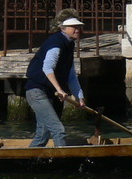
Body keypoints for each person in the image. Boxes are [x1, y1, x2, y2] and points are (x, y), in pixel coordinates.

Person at [24, 13, 87, 147]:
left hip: (48, 92)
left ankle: (31, 159)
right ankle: (64, 160)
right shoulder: (56, 42)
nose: (77, 30)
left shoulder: (69, 44)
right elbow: (47, 68)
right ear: (63, 28)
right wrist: (59, 89)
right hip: (36, 91)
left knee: (43, 133)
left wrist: (79, 97)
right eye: (73, 27)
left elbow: (71, 75)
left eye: (78, 27)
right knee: (58, 129)